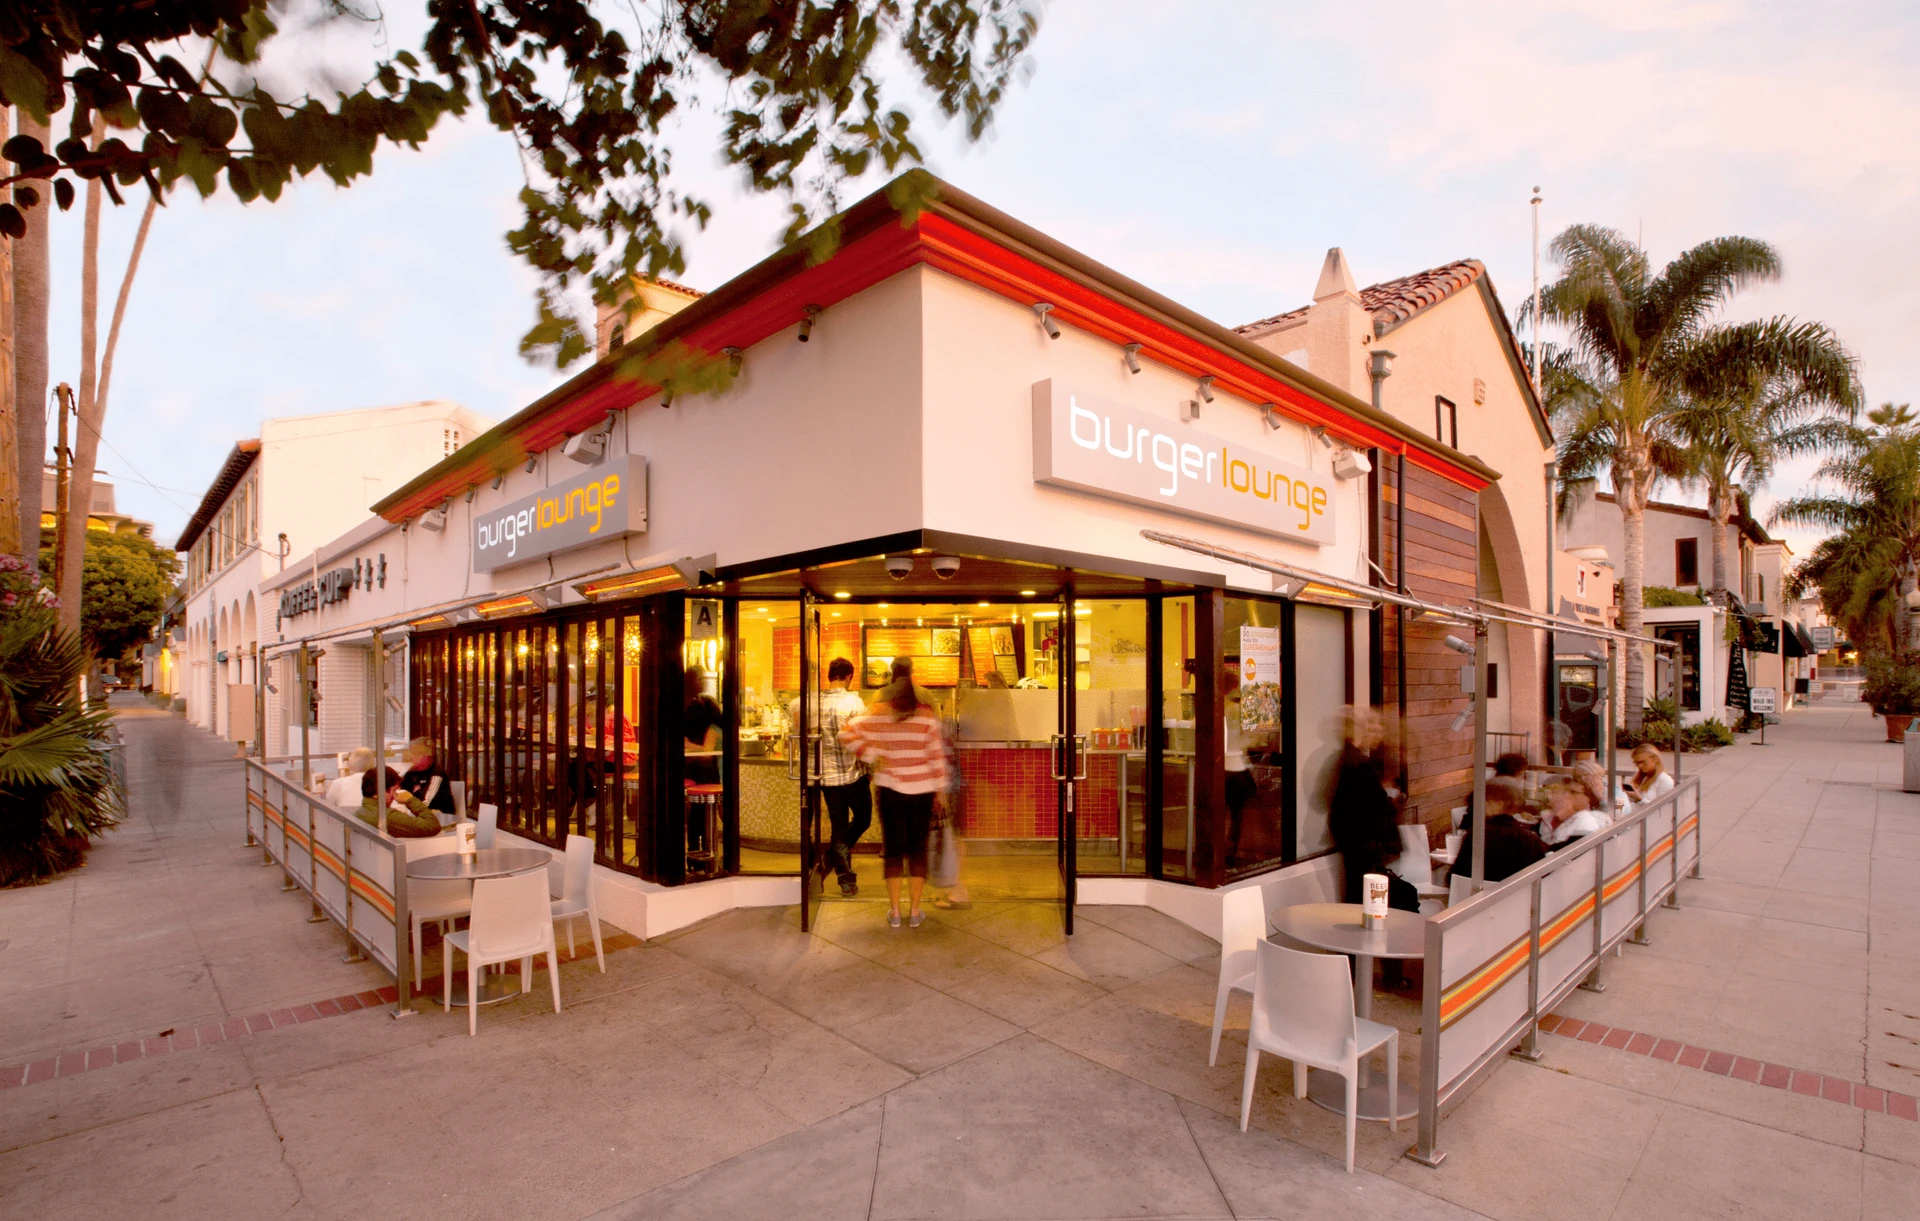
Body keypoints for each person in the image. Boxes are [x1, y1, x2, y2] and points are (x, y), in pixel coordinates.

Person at [840, 658, 951, 929]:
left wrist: (872, 754)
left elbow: (846, 733)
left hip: (889, 790)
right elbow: (936, 756)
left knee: (893, 850)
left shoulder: (879, 711)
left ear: (891, 682)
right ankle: (915, 911)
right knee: (917, 851)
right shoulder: (926, 715)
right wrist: (941, 791)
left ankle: (895, 912)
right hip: (922, 790)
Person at [789, 657, 872, 896]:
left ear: (829, 676)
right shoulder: (854, 703)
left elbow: (797, 728)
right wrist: (869, 769)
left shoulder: (807, 703)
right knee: (861, 819)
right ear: (849, 677)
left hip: (818, 775)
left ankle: (830, 868)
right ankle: (842, 876)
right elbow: (861, 740)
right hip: (847, 773)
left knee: (833, 826)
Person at [1326, 706, 1419, 913]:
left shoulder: (1351, 760)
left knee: (1361, 895)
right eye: (1371, 728)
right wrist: (1390, 800)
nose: (1376, 734)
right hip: (1365, 843)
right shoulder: (1358, 763)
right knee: (1369, 899)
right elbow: (1374, 806)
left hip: (1358, 841)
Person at [1454, 776, 1548, 881]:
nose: (1483, 806)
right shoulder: (1529, 839)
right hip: (1517, 891)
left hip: (1477, 891)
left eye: (1487, 802)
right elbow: (1542, 877)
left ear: (1499, 804)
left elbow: (1454, 878)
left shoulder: (1476, 834)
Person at [358, 766, 443, 838]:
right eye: (394, 790)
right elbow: (432, 826)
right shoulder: (388, 816)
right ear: (379, 792)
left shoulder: (363, 811)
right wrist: (410, 800)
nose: (395, 795)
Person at [1540, 773, 1607, 847]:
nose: (1566, 795)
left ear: (1588, 798)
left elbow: (1560, 850)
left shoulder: (1585, 825)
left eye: (1573, 792)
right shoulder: (1556, 817)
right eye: (1565, 791)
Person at [400, 738, 456, 819]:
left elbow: (426, 803)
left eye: (415, 755)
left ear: (426, 757)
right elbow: (401, 792)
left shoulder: (436, 774)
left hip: (438, 816)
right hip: (418, 814)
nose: (411, 759)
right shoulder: (411, 773)